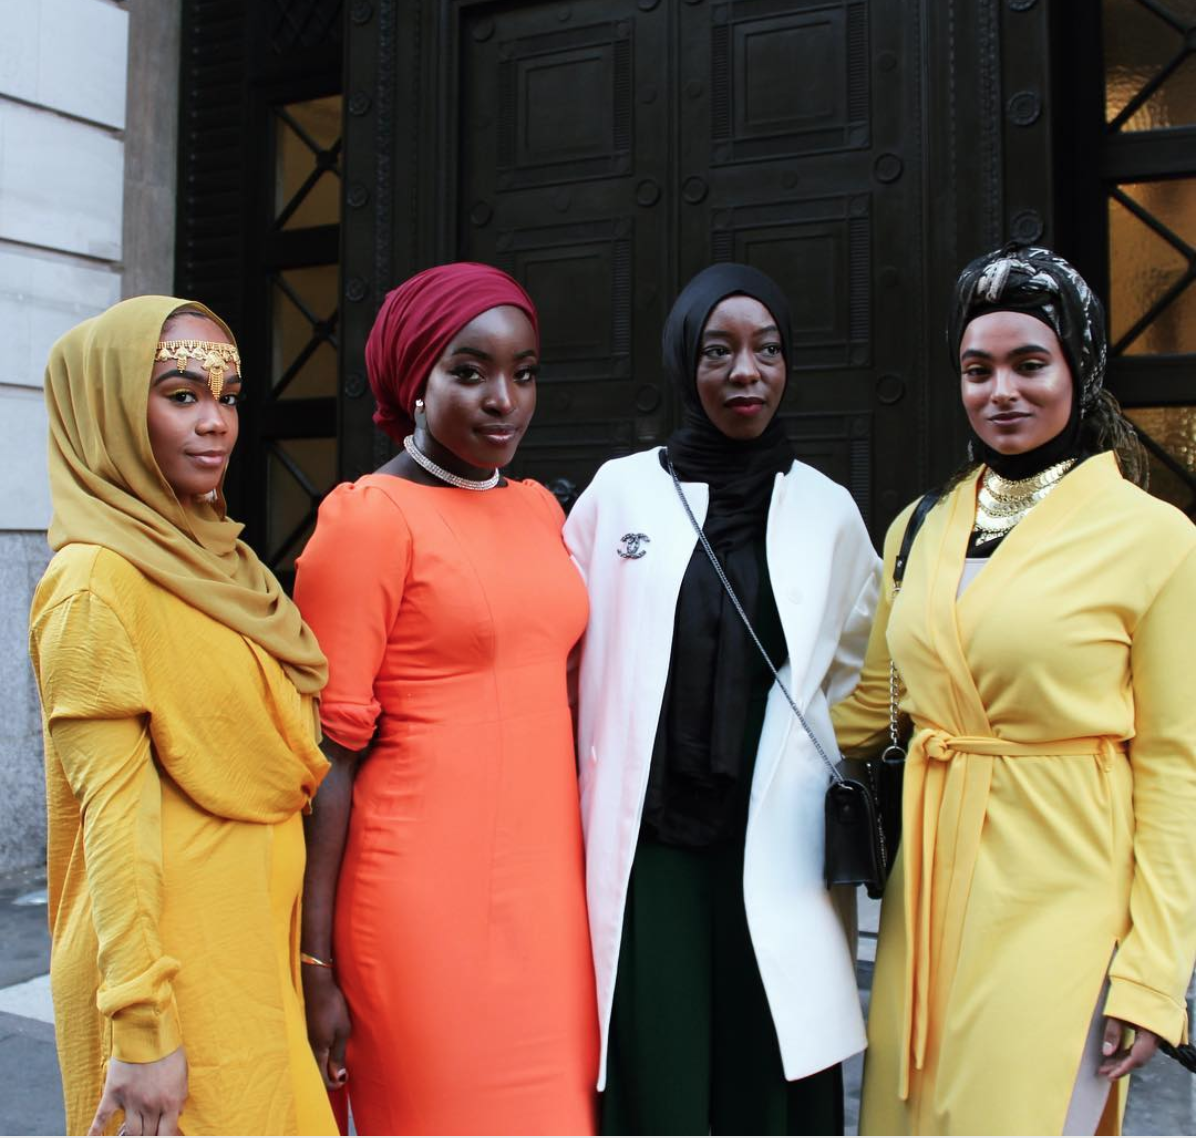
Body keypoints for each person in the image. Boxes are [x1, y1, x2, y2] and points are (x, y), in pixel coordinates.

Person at [832, 244, 1196, 1135]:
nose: (1002, 391)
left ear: (1081, 368)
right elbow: (870, 711)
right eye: (977, 369)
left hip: (1065, 893)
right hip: (926, 893)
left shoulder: (1155, 538)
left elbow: (1175, 768)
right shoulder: (920, 526)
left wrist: (1152, 973)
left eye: (1030, 364)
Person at [563, 263, 881, 1135]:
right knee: (656, 1054)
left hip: (777, 837)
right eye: (719, 351)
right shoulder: (620, 492)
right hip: (652, 840)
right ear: (683, 361)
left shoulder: (827, 510)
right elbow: (568, 654)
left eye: (768, 350)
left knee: (767, 1061)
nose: (747, 371)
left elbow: (860, 671)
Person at [293, 262, 598, 1135]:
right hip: (418, 907)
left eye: (524, 373)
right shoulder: (368, 519)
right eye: (470, 372)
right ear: (413, 383)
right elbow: (325, 758)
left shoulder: (540, 512)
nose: (504, 400)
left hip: (550, 903)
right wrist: (315, 964)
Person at [29, 298, 336, 1136]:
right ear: (109, 411)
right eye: (180, 395)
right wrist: (141, 1028)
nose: (216, 423)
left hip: (249, 952)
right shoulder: (94, 583)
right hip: (169, 975)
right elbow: (113, 817)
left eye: (228, 397)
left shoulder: (223, 562)